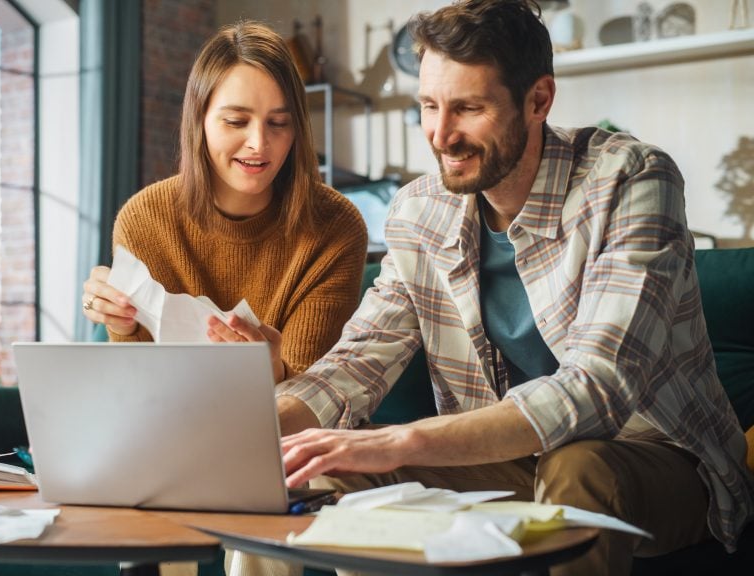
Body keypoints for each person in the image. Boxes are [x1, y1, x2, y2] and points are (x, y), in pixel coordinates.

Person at [270, 1, 754, 575]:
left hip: (655, 459)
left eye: (468, 108)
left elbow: (596, 389)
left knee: (578, 467)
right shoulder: (418, 211)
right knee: (307, 465)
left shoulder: (629, 178)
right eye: (428, 106)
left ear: (538, 101)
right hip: (506, 462)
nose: (441, 135)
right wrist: (253, 427)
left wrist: (400, 441)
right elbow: (357, 364)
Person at [81, 21, 368, 384]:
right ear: (199, 120)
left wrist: (271, 371)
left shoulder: (335, 226)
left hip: (291, 433)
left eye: (279, 123)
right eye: (236, 121)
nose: (259, 143)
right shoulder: (145, 219)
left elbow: (315, 397)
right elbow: (137, 384)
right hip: (169, 427)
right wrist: (116, 318)